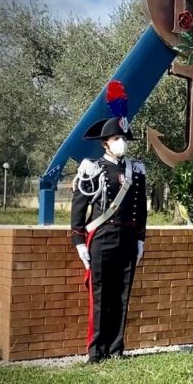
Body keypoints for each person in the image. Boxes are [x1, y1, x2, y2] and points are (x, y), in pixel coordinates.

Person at [71, 115, 147, 363]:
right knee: (101, 295)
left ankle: (116, 349)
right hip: (102, 237)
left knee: (123, 294)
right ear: (105, 143)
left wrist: (140, 239)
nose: (121, 142)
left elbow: (141, 211)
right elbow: (79, 208)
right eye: (116, 138)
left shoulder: (135, 170)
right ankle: (96, 351)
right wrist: (79, 241)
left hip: (127, 236)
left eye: (123, 138)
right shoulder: (91, 167)